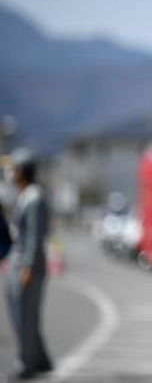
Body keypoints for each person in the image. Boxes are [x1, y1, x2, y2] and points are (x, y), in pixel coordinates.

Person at [4, 149, 53, 380]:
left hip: (26, 264)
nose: (11, 173)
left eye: (14, 168)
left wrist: (27, 267)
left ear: (22, 171)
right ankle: (40, 359)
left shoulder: (33, 197)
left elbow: (34, 236)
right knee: (26, 315)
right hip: (20, 262)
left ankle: (26, 363)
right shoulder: (26, 194)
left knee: (23, 315)